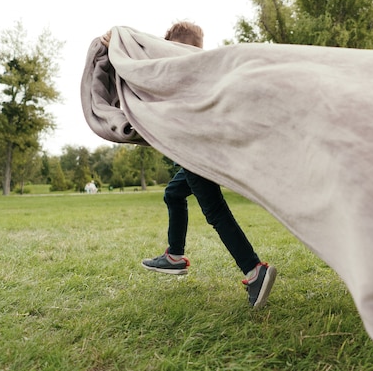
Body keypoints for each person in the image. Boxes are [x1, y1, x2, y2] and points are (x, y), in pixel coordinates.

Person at [100, 22, 276, 308]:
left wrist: (117, 47)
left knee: (215, 210)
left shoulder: (175, 71)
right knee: (174, 193)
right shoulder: (204, 71)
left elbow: (144, 74)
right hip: (206, 147)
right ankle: (175, 256)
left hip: (195, 148)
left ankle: (255, 271)